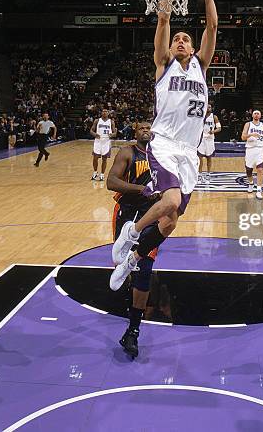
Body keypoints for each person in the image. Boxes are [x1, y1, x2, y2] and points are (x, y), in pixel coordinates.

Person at [110, 0, 217, 290]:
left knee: (170, 221)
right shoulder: (164, 66)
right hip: (165, 143)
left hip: (189, 152)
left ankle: (134, 257)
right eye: (177, 39)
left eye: (186, 39)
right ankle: (132, 232)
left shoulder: (201, 66)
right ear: (170, 49)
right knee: (168, 202)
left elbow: (212, 25)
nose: (181, 41)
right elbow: (163, 18)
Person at [107, 122, 162, 358]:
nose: (146, 130)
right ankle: (128, 282)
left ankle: (133, 330)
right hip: (126, 214)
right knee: (122, 264)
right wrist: (142, 190)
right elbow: (111, 182)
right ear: (135, 132)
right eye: (142, 127)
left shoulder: (161, 155)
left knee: (144, 269)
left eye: (150, 127)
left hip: (150, 216)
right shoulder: (128, 152)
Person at [242, 110, 263, 200]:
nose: (256, 115)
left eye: (258, 113)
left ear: (260, 115)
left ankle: (259, 190)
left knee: (260, 169)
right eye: (255, 113)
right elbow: (243, 137)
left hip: (260, 149)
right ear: (252, 115)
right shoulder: (248, 124)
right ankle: (251, 183)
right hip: (250, 149)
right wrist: (251, 134)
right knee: (248, 170)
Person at [90, 109, 117, 181]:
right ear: (101, 113)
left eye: (106, 111)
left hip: (106, 141)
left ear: (108, 113)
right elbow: (91, 130)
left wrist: (112, 134)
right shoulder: (97, 120)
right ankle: (95, 172)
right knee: (95, 157)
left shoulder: (111, 122)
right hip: (98, 141)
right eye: (103, 111)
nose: (104, 112)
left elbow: (115, 133)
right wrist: (95, 134)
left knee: (104, 159)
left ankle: (102, 174)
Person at [197, 104, 221, 182]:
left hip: (210, 139)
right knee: (199, 158)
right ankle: (199, 174)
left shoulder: (214, 117)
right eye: (207, 107)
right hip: (202, 138)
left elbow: (219, 128)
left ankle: (208, 174)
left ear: (211, 108)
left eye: (209, 107)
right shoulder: (200, 116)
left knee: (209, 158)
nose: (208, 108)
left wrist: (213, 131)